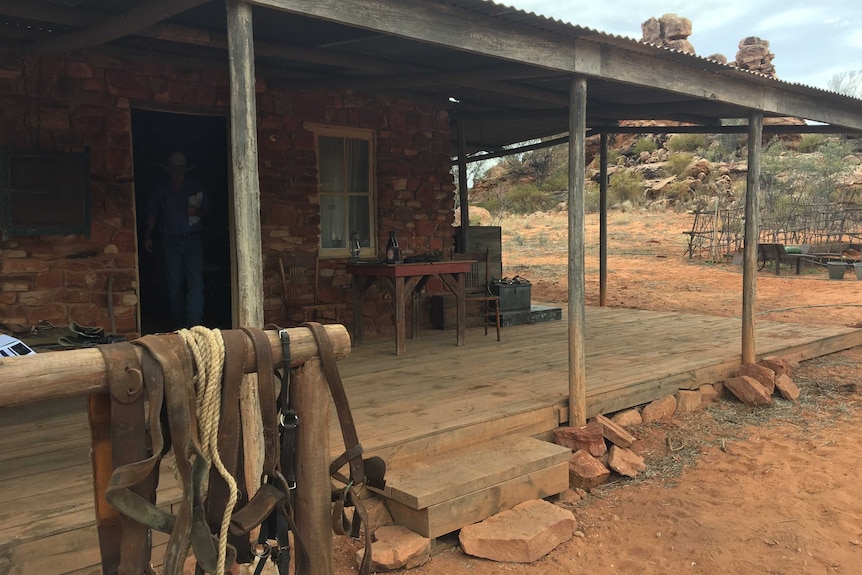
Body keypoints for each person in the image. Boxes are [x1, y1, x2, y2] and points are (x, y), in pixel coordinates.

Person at [144, 152, 210, 329]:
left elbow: (207, 209)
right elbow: (152, 214)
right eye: (174, 171)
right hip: (170, 240)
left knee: (195, 281)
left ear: (185, 171)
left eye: (180, 171)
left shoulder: (194, 187)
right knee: (174, 283)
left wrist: (195, 212)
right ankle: (179, 327)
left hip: (192, 239)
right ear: (168, 171)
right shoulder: (161, 190)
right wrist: (147, 235)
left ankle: (194, 326)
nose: (177, 174)